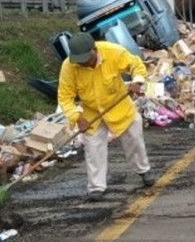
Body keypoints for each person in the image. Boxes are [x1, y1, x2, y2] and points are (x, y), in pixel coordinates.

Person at [58, 32, 156, 202]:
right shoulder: (69, 66)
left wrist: (137, 81)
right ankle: (96, 187)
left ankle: (143, 170)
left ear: (94, 50)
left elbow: (136, 65)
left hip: (118, 105)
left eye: (85, 59)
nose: (82, 64)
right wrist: (77, 117)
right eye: (79, 61)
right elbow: (65, 97)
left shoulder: (113, 52)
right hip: (91, 112)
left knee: (134, 138)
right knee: (93, 147)